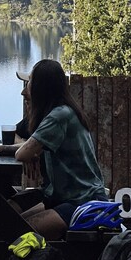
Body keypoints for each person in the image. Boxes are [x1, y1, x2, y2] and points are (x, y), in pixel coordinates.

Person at [13, 59, 107, 240]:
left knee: (18, 232)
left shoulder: (58, 116)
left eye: (30, 83)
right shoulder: (55, 113)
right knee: (9, 222)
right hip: (64, 198)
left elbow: (21, 154)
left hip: (83, 202)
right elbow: (21, 142)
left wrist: (31, 151)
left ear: (42, 88)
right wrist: (32, 150)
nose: (24, 92)